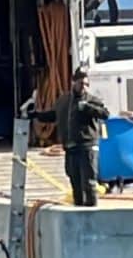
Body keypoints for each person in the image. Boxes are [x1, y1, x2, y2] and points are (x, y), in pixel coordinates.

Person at [29, 69, 110, 206]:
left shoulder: (92, 100)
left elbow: (105, 114)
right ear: (73, 82)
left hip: (87, 147)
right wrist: (37, 115)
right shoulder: (64, 100)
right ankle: (78, 209)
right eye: (80, 83)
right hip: (71, 148)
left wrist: (88, 108)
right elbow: (53, 115)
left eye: (86, 84)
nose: (83, 87)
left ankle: (91, 212)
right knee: (75, 181)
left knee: (89, 182)